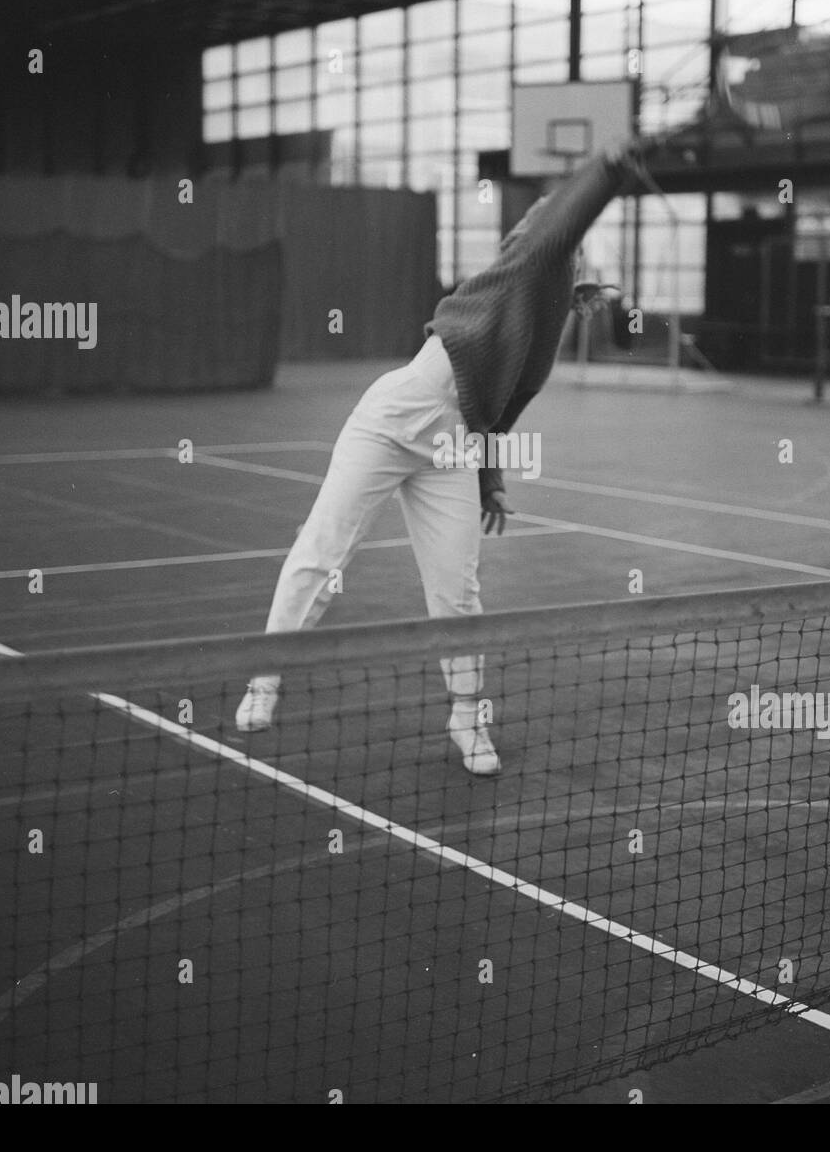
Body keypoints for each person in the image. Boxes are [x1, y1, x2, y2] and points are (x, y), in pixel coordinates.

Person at [235, 139, 643, 774]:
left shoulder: (547, 318)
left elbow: (501, 409)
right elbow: (556, 228)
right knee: (320, 552)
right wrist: (611, 170)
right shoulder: (522, 262)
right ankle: (264, 682)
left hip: (456, 442)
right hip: (395, 414)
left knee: (457, 593)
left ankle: (467, 720)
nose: (546, 227)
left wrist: (491, 483)